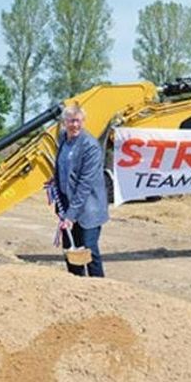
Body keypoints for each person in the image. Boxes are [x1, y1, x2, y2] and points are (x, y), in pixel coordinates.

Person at [54, 103, 108, 277]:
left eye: (78, 121)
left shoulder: (90, 146)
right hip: (67, 205)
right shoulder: (63, 139)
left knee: (88, 249)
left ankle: (99, 286)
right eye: (71, 121)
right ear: (64, 122)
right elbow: (62, 168)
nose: (75, 125)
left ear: (83, 121)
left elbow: (85, 184)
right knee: (70, 249)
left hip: (88, 207)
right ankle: (76, 284)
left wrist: (71, 215)